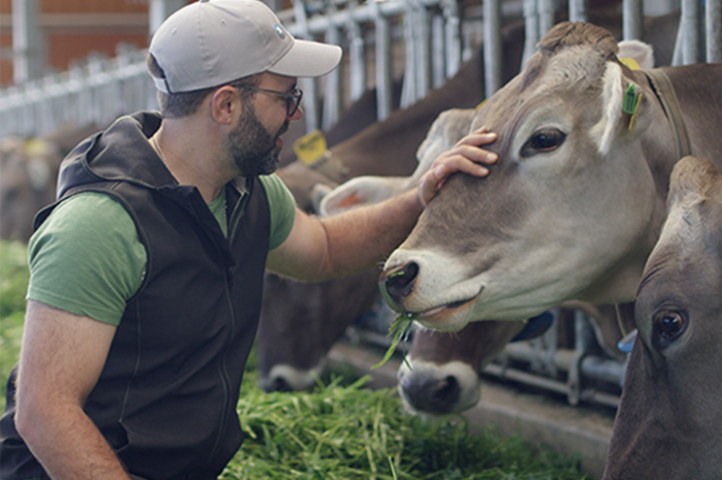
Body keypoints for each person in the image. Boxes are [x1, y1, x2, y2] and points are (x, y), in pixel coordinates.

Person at [0, 1, 498, 479]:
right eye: (286, 97)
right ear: (226, 105)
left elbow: (325, 248)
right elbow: (44, 412)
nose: (297, 116)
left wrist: (422, 196)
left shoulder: (248, 192)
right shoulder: (100, 225)